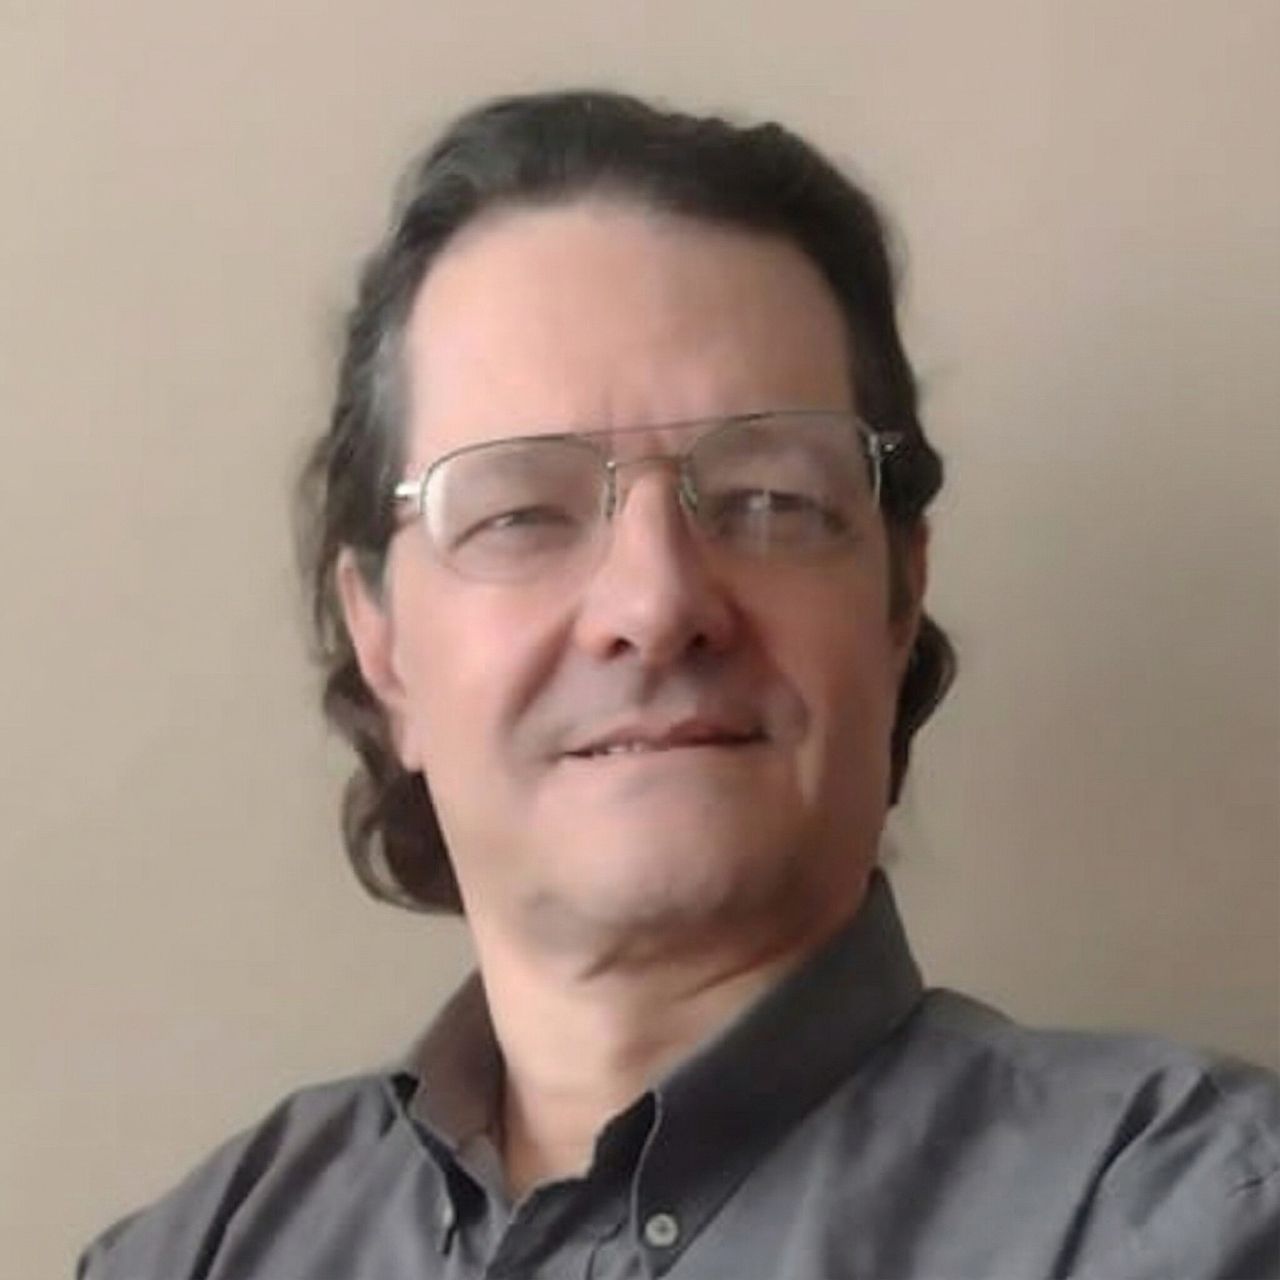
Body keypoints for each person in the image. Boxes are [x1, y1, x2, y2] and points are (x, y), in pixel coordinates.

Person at [79, 89, 1278, 1280]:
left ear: (896, 600)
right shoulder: (194, 1253)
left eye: (768, 499)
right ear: (382, 644)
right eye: (519, 512)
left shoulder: (1190, 1214)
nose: (654, 605)